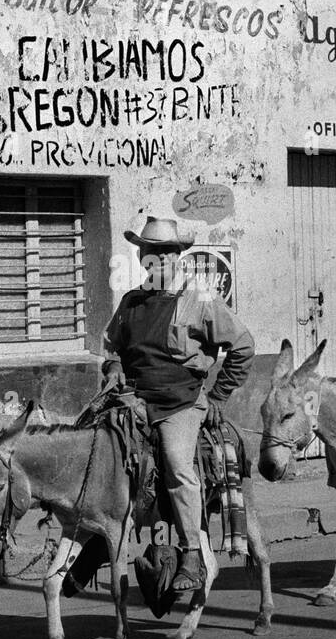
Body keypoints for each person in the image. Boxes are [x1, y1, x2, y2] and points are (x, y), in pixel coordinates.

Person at [101, 217, 255, 591]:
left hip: (180, 403)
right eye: (150, 252)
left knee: (176, 465)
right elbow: (112, 346)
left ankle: (189, 551)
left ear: (179, 257)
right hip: (133, 400)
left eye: (166, 253)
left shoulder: (201, 298)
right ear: (142, 256)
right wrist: (115, 367)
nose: (158, 260)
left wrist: (218, 395)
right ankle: (95, 542)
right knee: (94, 454)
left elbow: (243, 347)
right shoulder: (131, 301)